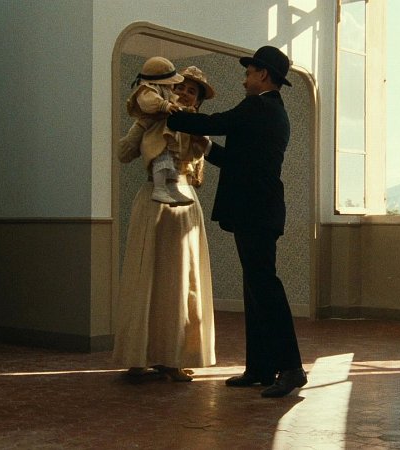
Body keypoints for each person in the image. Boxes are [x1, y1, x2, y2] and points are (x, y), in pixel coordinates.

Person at [167, 46, 307, 398]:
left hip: (256, 211)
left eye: (248, 73)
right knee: (256, 290)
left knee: (265, 290)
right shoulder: (272, 111)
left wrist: (171, 114)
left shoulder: (258, 106)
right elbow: (238, 159)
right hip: (259, 210)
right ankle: (260, 368)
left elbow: (217, 122)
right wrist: (206, 146)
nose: (245, 80)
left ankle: (292, 368)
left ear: (263, 74)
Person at [112, 66, 217, 383]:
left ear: (197, 102)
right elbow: (123, 153)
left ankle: (173, 357)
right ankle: (138, 356)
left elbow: (201, 162)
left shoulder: (197, 128)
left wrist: (200, 137)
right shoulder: (152, 117)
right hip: (152, 200)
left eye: (192, 92)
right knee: (145, 275)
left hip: (183, 202)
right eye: (180, 87)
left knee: (179, 280)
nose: (184, 94)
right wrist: (142, 125)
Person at [117, 56, 194, 205]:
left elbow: (175, 105)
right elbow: (149, 102)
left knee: (172, 162)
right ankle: (159, 189)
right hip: (156, 133)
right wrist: (164, 106)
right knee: (161, 157)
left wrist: (184, 110)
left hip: (166, 134)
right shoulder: (148, 90)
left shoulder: (167, 91)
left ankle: (172, 188)